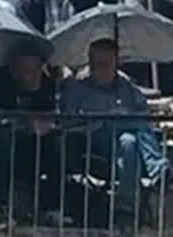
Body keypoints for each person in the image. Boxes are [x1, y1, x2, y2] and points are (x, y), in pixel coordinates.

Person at [60, 37, 166, 227]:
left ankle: (124, 209)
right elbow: (68, 123)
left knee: (129, 141)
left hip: (124, 147)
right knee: (128, 122)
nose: (101, 68)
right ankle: (159, 169)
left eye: (107, 63)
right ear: (90, 63)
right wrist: (101, 118)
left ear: (117, 63)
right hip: (92, 142)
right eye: (97, 63)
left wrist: (122, 117)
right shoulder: (77, 89)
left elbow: (144, 115)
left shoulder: (128, 88)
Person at [0, 39, 62, 221]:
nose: (29, 75)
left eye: (34, 69)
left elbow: (57, 115)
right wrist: (28, 124)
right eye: (24, 69)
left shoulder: (49, 85)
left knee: (58, 141)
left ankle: (52, 208)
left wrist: (48, 125)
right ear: (14, 68)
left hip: (37, 144)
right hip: (5, 141)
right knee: (1, 137)